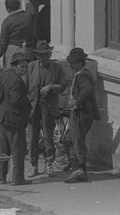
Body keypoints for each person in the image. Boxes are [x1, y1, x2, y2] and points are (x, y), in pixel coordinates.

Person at [0, 52, 34, 186]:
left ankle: (1, 177)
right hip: (15, 120)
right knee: (18, 151)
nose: (24, 69)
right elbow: (16, 100)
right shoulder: (16, 80)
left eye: (26, 67)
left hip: (3, 117)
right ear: (15, 66)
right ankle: (17, 178)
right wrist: (28, 98)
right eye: (22, 67)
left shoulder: (4, 74)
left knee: (3, 150)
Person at [27, 40, 67, 178]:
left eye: (46, 55)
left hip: (48, 107)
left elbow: (63, 85)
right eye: (40, 55)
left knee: (48, 136)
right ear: (37, 55)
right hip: (33, 107)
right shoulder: (31, 67)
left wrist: (51, 87)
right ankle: (33, 165)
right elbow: (25, 85)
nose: (43, 58)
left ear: (50, 54)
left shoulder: (56, 68)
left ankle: (49, 164)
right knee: (32, 137)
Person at [63, 47, 100, 183]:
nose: (70, 65)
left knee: (75, 140)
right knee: (69, 139)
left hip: (81, 113)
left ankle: (80, 170)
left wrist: (77, 104)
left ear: (79, 63)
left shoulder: (83, 75)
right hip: (81, 112)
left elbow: (87, 90)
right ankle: (77, 167)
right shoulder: (80, 74)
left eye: (72, 63)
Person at [0, 0, 36, 68]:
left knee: (12, 73)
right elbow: (32, 9)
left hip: (13, 51)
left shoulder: (7, 22)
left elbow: (3, 42)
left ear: (8, 9)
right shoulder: (28, 16)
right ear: (19, 6)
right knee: (26, 72)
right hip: (28, 50)